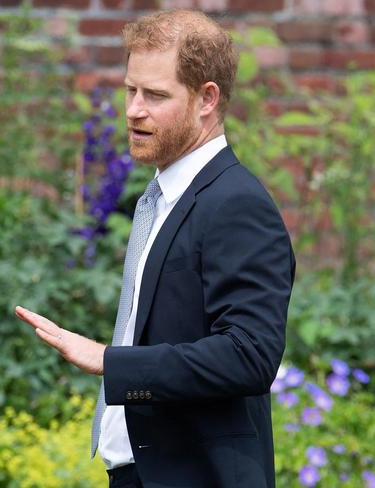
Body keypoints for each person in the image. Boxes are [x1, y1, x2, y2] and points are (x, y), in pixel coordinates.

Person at [16, 9, 295, 488]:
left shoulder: (237, 203)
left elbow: (250, 355)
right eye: (131, 89)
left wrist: (111, 361)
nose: (133, 109)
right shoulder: (164, 196)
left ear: (207, 98)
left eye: (156, 95)